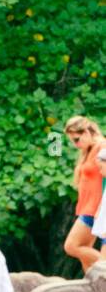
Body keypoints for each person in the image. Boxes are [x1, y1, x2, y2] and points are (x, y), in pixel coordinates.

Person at [63, 116, 105, 273]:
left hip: (96, 207)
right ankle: (93, 290)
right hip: (87, 207)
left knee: (72, 246)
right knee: (84, 253)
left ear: (87, 132)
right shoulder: (88, 150)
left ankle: (104, 265)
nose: (75, 144)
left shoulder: (102, 147)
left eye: (77, 139)